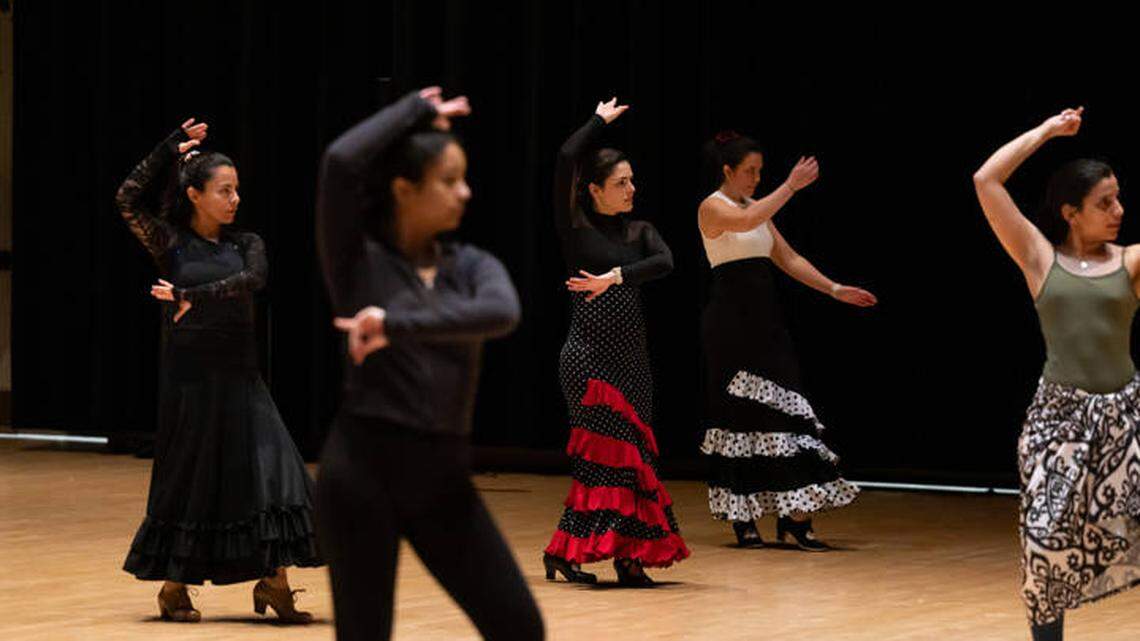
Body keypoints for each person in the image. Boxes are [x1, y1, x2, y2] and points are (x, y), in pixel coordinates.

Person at [314, 87, 544, 641]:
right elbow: (340, 163)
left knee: (519, 627)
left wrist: (392, 324)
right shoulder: (357, 262)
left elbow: (502, 312)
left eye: (463, 178)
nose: (464, 192)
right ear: (404, 188)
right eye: (448, 180)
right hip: (360, 474)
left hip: (440, 478)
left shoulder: (469, 266)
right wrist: (415, 109)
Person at [115, 119, 320, 623]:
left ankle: (274, 582)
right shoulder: (170, 243)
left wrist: (191, 296)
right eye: (223, 190)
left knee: (277, 473)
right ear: (194, 195)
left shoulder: (245, 244)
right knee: (193, 480)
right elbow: (127, 197)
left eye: (236, 190)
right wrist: (168, 148)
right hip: (190, 383)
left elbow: (253, 280)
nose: (234, 199)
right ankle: (173, 588)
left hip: (242, 378)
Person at [974, 106, 1140, 641]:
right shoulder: (1040, 259)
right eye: (1104, 202)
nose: (1118, 209)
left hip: (1124, 419)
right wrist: (1046, 132)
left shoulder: (1131, 262)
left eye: (1117, 198)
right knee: (1046, 545)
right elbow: (987, 179)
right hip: (1058, 422)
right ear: (1071, 212)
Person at [697, 133, 873, 551]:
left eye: (761, 171)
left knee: (790, 414)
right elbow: (743, 222)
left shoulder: (756, 209)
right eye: (750, 171)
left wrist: (833, 288)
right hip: (730, 325)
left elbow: (788, 257)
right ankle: (745, 519)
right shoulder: (712, 207)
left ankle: (795, 518)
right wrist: (790, 187)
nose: (757, 178)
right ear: (727, 172)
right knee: (741, 417)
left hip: (765, 323)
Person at [542, 98, 690, 586]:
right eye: (621, 183)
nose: (632, 189)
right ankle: (582, 554)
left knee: (634, 462)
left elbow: (666, 262)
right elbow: (566, 158)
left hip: (633, 365)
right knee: (606, 463)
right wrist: (598, 122)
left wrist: (616, 276)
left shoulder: (640, 231)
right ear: (594, 190)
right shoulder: (576, 228)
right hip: (588, 363)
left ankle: (621, 558)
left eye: (632, 180)